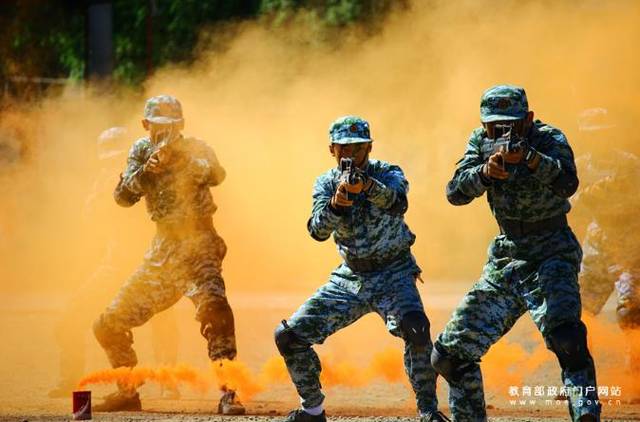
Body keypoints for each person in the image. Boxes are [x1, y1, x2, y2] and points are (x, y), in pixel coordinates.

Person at [433, 85, 601, 422]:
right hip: (506, 258)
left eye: (510, 125)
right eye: (493, 127)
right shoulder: (480, 143)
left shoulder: (548, 138)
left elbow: (568, 183)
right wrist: (484, 173)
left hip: (552, 251)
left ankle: (586, 414)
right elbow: (454, 192)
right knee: (449, 356)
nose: (501, 133)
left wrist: (530, 158)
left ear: (528, 120)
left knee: (568, 340)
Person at [274, 116, 448, 422]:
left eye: (358, 149)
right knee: (289, 337)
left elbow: (398, 203)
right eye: (344, 149)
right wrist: (337, 204)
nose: (351, 156)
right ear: (332, 149)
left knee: (417, 329)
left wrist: (367, 186)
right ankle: (312, 410)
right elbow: (316, 230)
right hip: (350, 277)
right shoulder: (326, 183)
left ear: (369, 147)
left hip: (394, 271)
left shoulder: (387, 172)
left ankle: (428, 412)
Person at [92, 95, 243, 414]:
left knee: (216, 311)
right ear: (145, 125)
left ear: (182, 126)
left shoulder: (196, 148)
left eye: (171, 126)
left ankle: (229, 392)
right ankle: (128, 391)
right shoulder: (140, 152)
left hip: (199, 243)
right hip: (162, 252)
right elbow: (122, 197)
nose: (164, 133)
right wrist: (148, 171)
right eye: (157, 126)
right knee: (108, 324)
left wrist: (181, 160)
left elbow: (217, 174)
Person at [572, 108, 640, 389]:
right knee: (580, 314)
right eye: (592, 135)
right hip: (597, 244)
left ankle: (634, 374)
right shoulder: (580, 165)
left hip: (629, 245)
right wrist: (590, 195)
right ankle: (577, 378)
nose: (598, 140)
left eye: (603, 133)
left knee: (630, 309)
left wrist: (611, 195)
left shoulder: (629, 164)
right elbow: (571, 203)